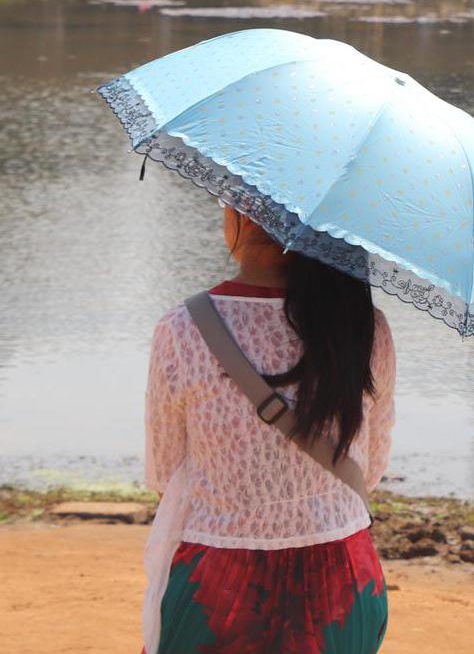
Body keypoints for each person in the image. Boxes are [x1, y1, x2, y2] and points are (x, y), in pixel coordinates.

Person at [141, 203, 394, 654]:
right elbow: (369, 472)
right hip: (342, 575)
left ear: (244, 216)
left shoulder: (183, 329)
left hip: (218, 581)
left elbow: (165, 475)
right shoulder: (366, 327)